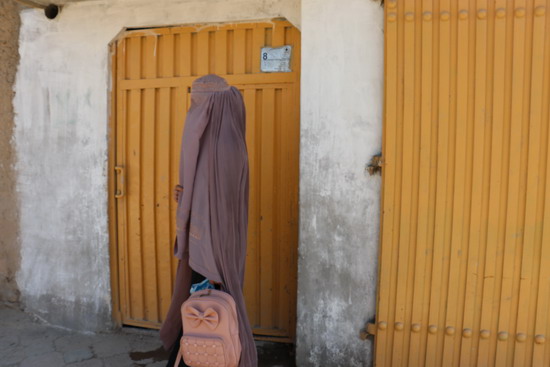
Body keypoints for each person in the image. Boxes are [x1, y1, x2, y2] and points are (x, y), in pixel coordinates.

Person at [160, 74, 257, 367]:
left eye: (200, 102)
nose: (195, 109)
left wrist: (214, 263)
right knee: (202, 314)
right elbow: (203, 190)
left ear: (213, 105)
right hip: (204, 239)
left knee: (210, 312)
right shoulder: (220, 140)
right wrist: (186, 195)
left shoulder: (222, 147)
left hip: (212, 247)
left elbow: (221, 205)